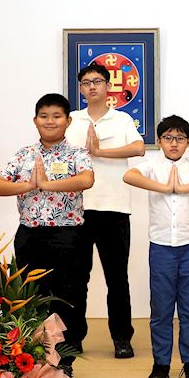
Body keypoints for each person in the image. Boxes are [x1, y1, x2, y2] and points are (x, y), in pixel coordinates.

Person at [0, 93, 94, 378]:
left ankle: (66, 360)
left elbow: (86, 180)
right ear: (35, 120)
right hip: (30, 236)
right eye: (44, 116)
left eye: (57, 116)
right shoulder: (23, 154)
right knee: (32, 296)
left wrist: (46, 184)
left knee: (68, 296)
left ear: (68, 121)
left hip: (68, 235)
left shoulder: (77, 154)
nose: (50, 121)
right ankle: (33, 359)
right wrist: (28, 185)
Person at [123, 115, 189, 378]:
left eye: (180, 138)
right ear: (159, 141)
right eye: (168, 138)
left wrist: (183, 188)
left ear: (188, 142)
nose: (174, 143)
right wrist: (164, 188)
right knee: (161, 311)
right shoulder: (152, 166)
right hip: (161, 247)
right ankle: (161, 366)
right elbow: (129, 175)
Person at [64, 63, 146, 360]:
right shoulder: (72, 120)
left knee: (117, 278)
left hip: (114, 208)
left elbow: (138, 148)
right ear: (81, 88)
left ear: (108, 86)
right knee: (76, 280)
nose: (92, 86)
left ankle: (122, 338)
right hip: (76, 209)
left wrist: (100, 152)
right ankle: (73, 338)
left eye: (97, 81)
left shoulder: (121, 119)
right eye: (86, 82)